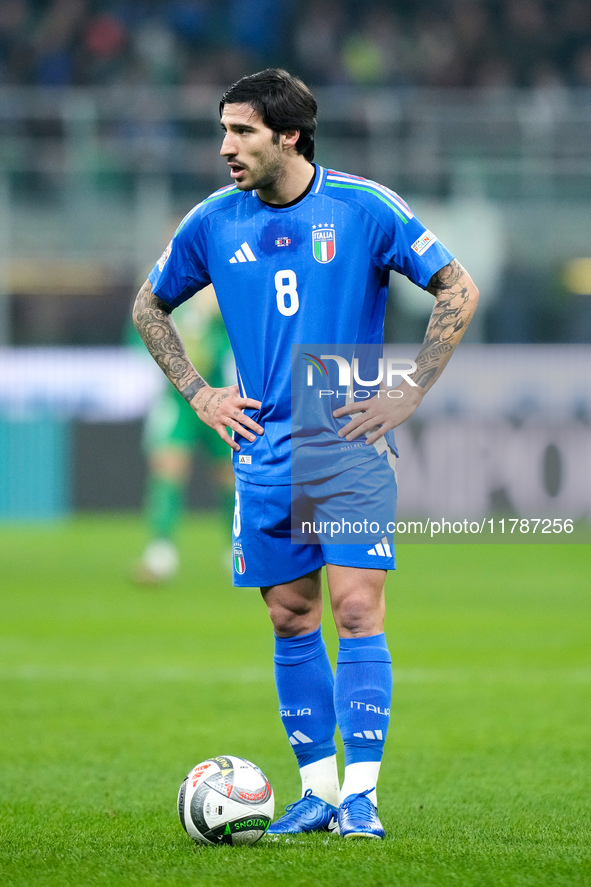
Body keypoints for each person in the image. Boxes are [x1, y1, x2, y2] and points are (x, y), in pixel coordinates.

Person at [133, 68, 479, 839]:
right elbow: (147, 304)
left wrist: (409, 391)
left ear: (288, 135)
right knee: (291, 616)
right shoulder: (213, 221)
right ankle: (316, 791)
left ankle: (362, 794)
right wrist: (199, 393)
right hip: (263, 438)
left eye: (241, 131)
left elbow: (457, 287)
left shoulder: (362, 206)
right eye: (223, 130)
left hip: (343, 425)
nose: (225, 147)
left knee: (355, 607)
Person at [128, 286, 235, 584]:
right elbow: (139, 332)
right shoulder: (161, 289)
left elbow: (239, 338)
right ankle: (160, 551)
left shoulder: (222, 290)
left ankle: (236, 550)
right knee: (168, 466)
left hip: (220, 393)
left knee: (230, 472)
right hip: (177, 397)